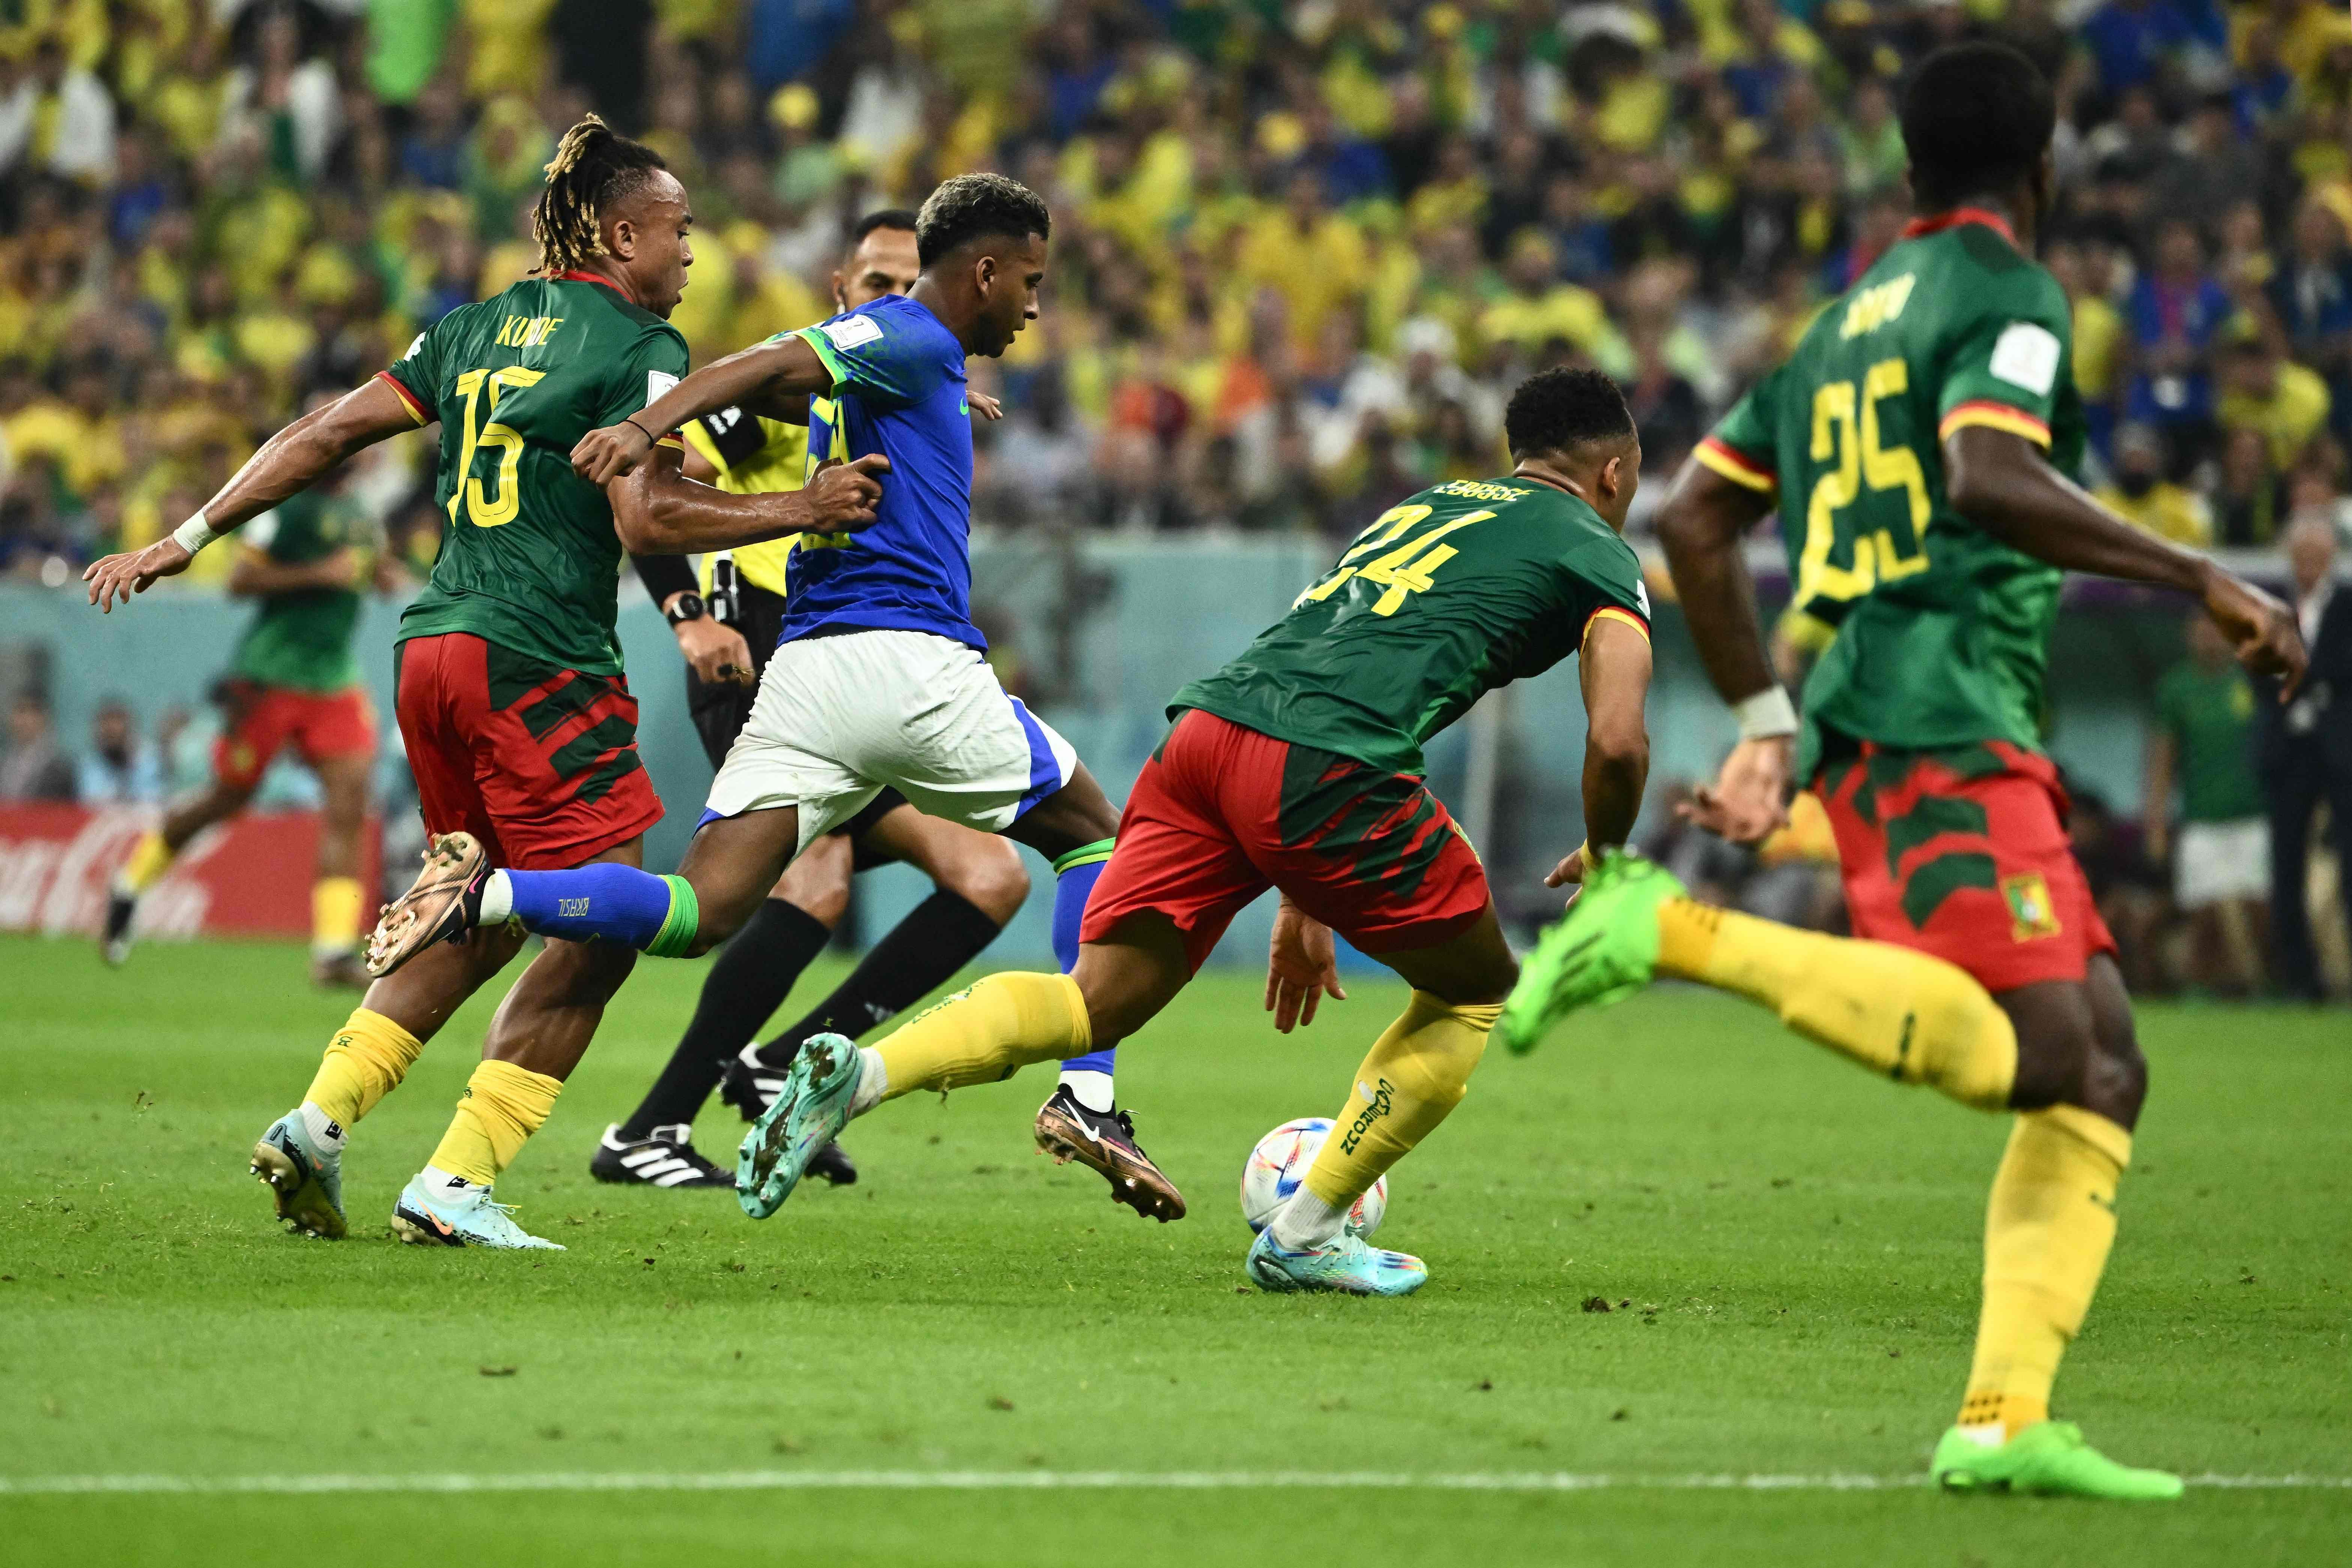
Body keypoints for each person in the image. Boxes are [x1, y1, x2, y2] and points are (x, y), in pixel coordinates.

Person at [1505, 44, 2304, 1500]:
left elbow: (1690, 520)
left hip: (1897, 703)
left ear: (1909, 173)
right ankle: (1667, 929)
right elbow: (1987, 473)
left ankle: (2004, 1419)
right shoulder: (2008, 294)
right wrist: (2202, 575)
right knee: (2047, 1051)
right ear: (2044, 171)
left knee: (2106, 1061)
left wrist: (1760, 717)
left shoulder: (1837, 325)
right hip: (1942, 705)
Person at [81, 116, 887, 1250]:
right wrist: (799, 506)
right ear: (621, 236)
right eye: (678, 230)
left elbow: (328, 430)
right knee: (601, 926)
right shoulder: (639, 343)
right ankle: (456, 1182)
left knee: (483, 917)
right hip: (538, 658)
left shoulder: (471, 327)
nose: (690, 253)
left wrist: (190, 533)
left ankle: (320, 1121)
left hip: (433, 649)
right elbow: (648, 513)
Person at [723, 367, 1655, 1297]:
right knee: (1473, 991)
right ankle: (1307, 1229)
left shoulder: (1430, 503)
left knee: (1097, 999)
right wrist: (1608, 853)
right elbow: (1616, 741)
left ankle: (867, 1075)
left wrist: (1302, 887)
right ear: (1614, 474)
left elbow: (1323, 642)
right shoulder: (1598, 549)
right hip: (1330, 767)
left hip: (1208, 739)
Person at [366, 174, 1178, 1222]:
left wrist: (930, 399)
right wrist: (644, 425)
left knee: (697, 911)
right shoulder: (913, 333)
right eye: (1027, 281)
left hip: (804, 675)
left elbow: (788, 383)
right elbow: (770, 362)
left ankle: (489, 897)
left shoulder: (904, 363)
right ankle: (1088, 1095)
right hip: (912, 663)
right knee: (1094, 837)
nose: (1032, 305)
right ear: (982, 270)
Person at [599, 208, 1031, 1191]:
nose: (891, 299)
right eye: (874, 283)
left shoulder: (914, 386)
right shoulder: (770, 390)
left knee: (991, 878)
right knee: (814, 881)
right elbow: (647, 493)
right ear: (840, 289)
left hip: (863, 673)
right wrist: (684, 617)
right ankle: (654, 1123)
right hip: (756, 661)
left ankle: (779, 1065)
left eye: (906, 283)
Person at [101, 456, 391, 985]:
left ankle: (331, 952)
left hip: (333, 677)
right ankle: (129, 884)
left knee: (349, 800)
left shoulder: (358, 511)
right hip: (270, 675)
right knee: (227, 796)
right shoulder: (284, 506)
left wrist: (383, 573)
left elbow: (372, 566)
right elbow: (240, 579)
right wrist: (318, 574)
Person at [2146, 612, 2269, 993]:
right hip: (2201, 817)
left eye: (2217, 633)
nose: (2210, 640)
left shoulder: (2252, 681)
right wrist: (2156, 822)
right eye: (2202, 633)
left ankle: (2266, 984)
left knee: (2260, 909)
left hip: (2254, 815)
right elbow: (2163, 759)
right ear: (2190, 637)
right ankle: (2200, 989)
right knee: (2202, 912)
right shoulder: (2176, 688)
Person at [2261, 515, 2352, 1001]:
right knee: (2285, 866)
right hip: (2289, 753)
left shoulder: (2347, 604)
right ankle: (2299, 979)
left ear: (2331, 558)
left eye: (2317, 558)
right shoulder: (2269, 605)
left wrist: (2301, 683)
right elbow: (2256, 667)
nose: (2308, 567)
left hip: (2340, 754)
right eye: (2300, 557)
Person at [76, 699, 164, 804]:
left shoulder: (148, 760)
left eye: (119, 735)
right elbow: (91, 801)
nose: (114, 738)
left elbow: (153, 799)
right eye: (109, 735)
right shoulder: (90, 764)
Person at [1, 691, 77, 802]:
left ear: (43, 718)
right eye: (19, 712)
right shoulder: (6, 763)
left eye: (30, 713)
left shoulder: (59, 767)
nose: (23, 721)